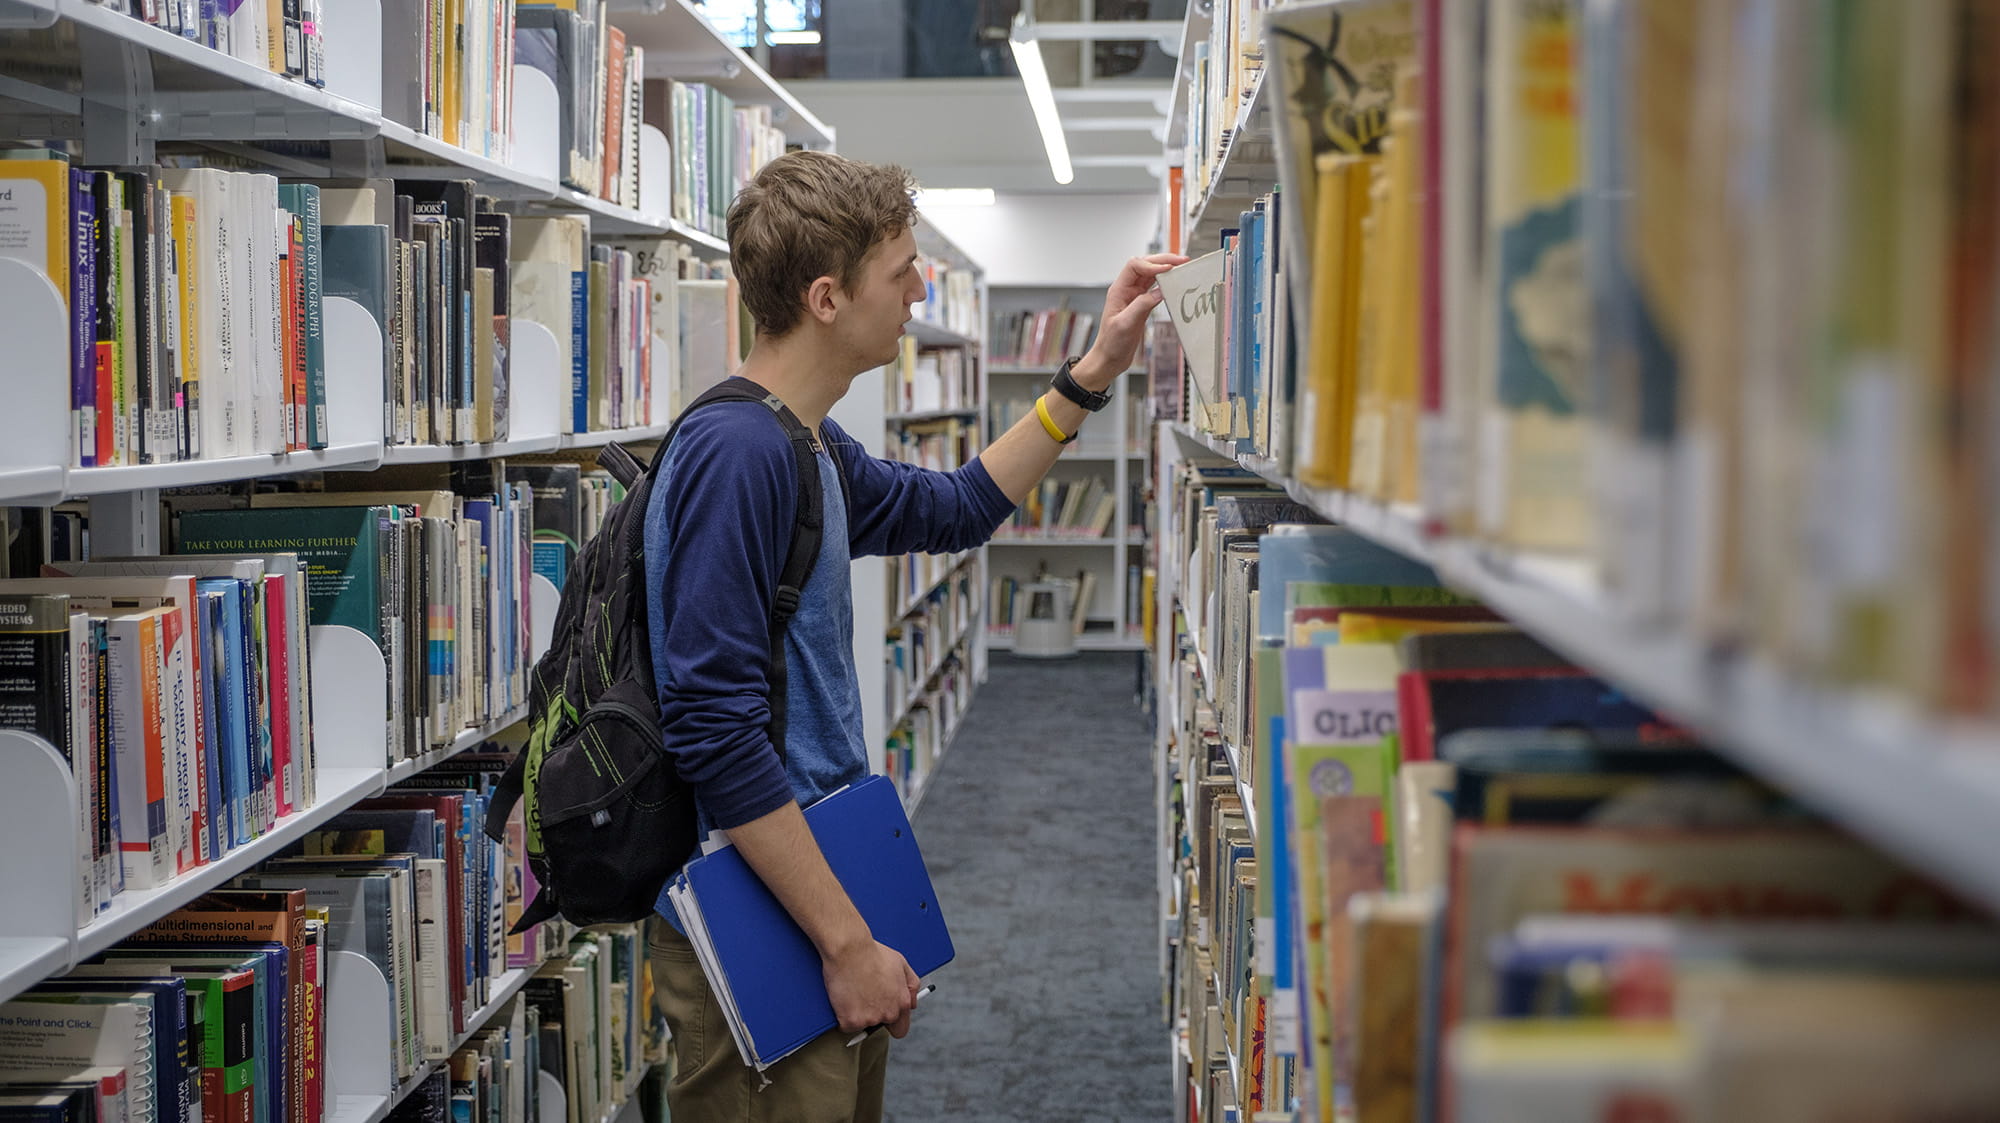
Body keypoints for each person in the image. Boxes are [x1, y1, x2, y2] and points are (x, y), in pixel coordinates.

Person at [643, 148, 1186, 1121]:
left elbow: (955, 506)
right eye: (900, 271)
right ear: (824, 296)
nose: (919, 288)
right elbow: (712, 730)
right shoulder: (736, 457)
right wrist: (843, 943)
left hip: (811, 882)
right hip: (758, 902)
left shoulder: (804, 440)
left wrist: (1094, 367)